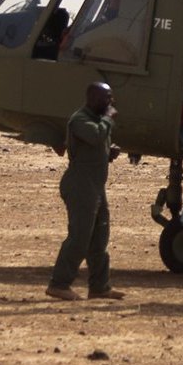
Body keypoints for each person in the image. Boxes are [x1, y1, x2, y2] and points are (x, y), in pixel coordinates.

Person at [48, 79, 126, 302]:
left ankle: (100, 286)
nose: (111, 102)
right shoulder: (80, 119)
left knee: (99, 237)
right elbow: (94, 135)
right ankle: (59, 284)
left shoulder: (97, 120)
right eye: (106, 98)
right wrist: (109, 119)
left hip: (95, 185)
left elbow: (95, 143)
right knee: (80, 237)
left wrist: (107, 153)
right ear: (92, 99)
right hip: (80, 184)